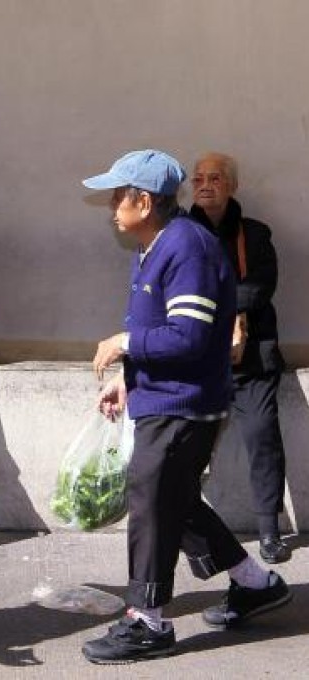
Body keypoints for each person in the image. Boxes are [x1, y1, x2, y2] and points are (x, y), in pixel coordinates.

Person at [83, 149, 291, 664]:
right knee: (173, 498)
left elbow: (191, 336)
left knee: (151, 500)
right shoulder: (153, 245)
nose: (111, 204)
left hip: (186, 405)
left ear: (144, 200)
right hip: (164, 396)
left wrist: (127, 343)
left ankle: (147, 620)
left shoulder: (186, 248)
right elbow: (168, 333)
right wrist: (131, 383)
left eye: (118, 194)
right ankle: (254, 581)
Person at [189, 152, 291, 564]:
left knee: (262, 438)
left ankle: (269, 530)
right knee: (185, 450)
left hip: (252, 360)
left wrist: (208, 308)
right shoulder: (180, 233)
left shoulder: (255, 234)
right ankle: (190, 536)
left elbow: (260, 287)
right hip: (196, 360)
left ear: (232, 185)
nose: (205, 185)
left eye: (214, 178)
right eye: (197, 179)